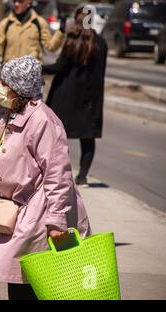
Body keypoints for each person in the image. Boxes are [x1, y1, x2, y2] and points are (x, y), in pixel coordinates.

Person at [0, 56, 91, 300]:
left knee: (29, 284)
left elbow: (58, 175)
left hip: (39, 217)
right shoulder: (13, 115)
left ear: (19, 89)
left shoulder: (43, 121)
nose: (0, 88)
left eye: (5, 84)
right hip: (19, 214)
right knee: (18, 279)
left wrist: (57, 222)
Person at [43, 7, 108, 186]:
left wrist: (37, 66)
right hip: (89, 98)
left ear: (76, 19)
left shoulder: (71, 41)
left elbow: (59, 67)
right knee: (87, 138)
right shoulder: (101, 43)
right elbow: (100, 74)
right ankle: (82, 175)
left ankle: (59, 171)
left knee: (56, 136)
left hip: (66, 96)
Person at [0, 0, 66, 68]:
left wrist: (61, 31)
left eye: (20, 1)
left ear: (29, 2)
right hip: (10, 75)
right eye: (14, 1)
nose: (16, 4)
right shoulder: (5, 23)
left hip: (31, 78)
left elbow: (51, 47)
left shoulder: (39, 23)